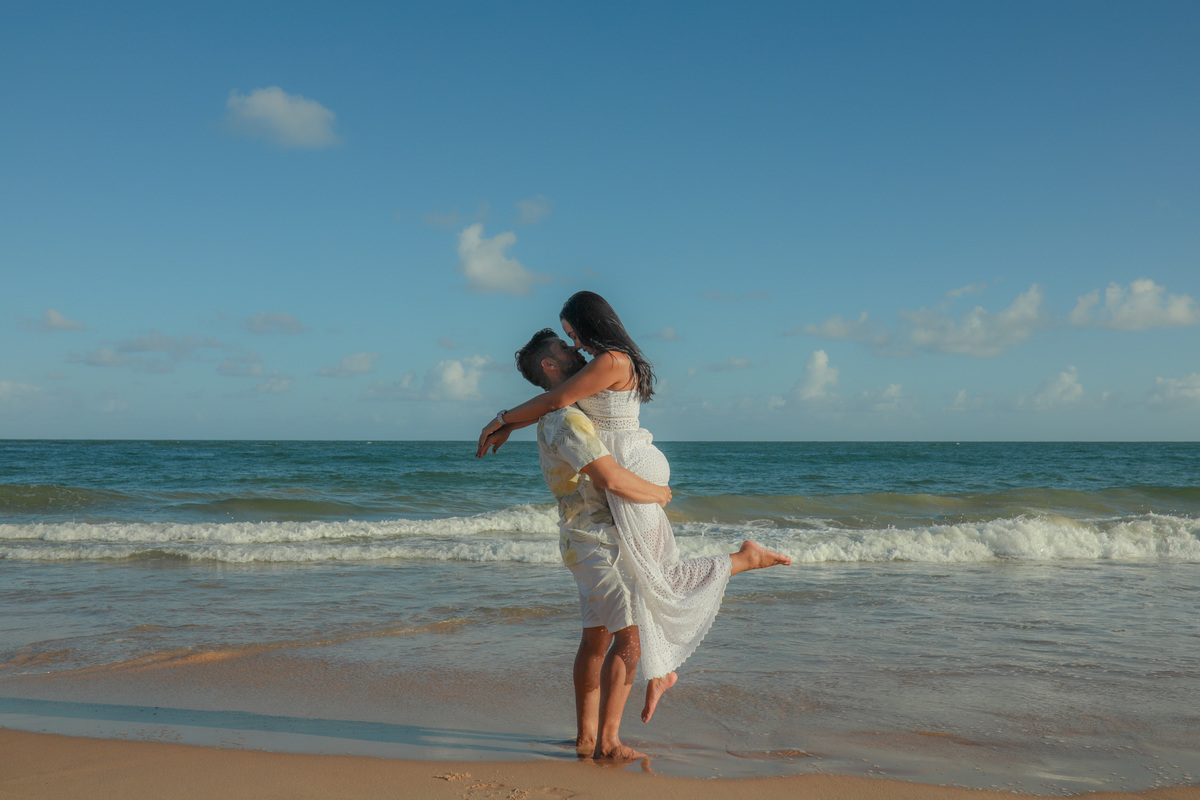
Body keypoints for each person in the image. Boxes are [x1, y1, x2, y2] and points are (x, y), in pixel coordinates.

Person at [478, 326, 791, 753]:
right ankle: (609, 741)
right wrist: (658, 493)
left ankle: (587, 738)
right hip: (600, 543)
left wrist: (507, 420)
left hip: (582, 540)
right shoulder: (568, 419)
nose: (574, 350)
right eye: (564, 349)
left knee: (596, 638)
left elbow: (551, 403)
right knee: (630, 637)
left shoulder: (559, 414)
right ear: (550, 366)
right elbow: (608, 476)